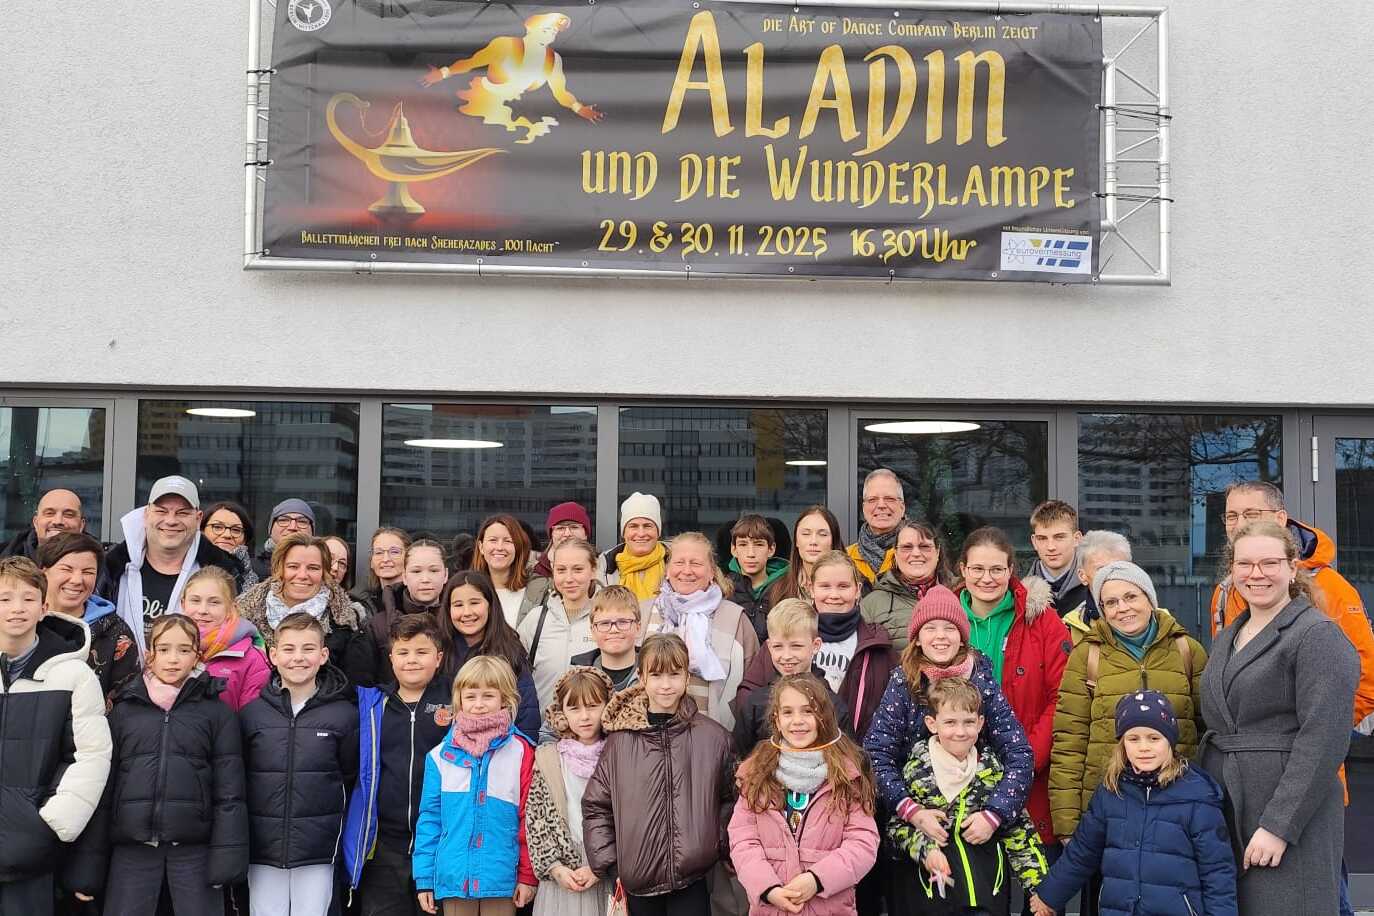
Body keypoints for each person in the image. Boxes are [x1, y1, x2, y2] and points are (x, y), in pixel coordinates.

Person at [1198, 519, 1359, 916]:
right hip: (1231, 806)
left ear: (1292, 567)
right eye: (1245, 564)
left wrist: (1279, 825)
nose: (1256, 574)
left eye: (1269, 563)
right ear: (1232, 570)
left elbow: (1323, 740)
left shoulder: (1317, 635)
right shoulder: (1230, 635)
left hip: (1288, 813)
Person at [1047, 560, 1205, 916]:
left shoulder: (1187, 651)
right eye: (1111, 602)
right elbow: (1069, 740)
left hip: (1175, 810)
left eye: (1131, 596)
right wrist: (1068, 823)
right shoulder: (1087, 656)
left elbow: (1205, 729)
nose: (1122, 608)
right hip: (1108, 810)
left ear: (1149, 598)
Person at [864, 584, 1034, 911]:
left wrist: (995, 813)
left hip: (976, 834)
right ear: (917, 637)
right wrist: (910, 810)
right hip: (917, 835)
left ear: (962, 636)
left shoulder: (981, 679)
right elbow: (877, 754)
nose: (940, 636)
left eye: (949, 628)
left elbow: (1018, 754)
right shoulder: (903, 682)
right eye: (931, 628)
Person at [1033, 691, 1238, 916]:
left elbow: (1217, 872)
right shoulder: (1111, 791)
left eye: (1154, 738)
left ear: (1170, 741)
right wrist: (1049, 896)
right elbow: (1082, 853)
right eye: (1133, 739)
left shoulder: (1197, 795)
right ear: (1122, 743)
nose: (1143, 747)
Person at [103, 614, 248, 916]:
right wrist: (89, 864)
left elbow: (230, 794)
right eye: (164, 649)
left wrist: (226, 859)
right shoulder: (124, 711)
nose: (173, 659)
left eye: (184, 650)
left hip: (194, 851)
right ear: (150, 654)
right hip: (132, 849)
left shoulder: (216, 713)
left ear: (197, 655)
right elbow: (105, 791)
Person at [582, 634, 736, 916]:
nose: (665, 685)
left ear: (687, 677)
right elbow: (597, 806)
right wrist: (612, 864)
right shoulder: (620, 741)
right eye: (656, 675)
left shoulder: (714, 738)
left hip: (693, 879)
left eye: (674, 674)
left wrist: (717, 843)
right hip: (638, 882)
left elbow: (730, 800)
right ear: (641, 677)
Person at [1209, 480, 1374, 734]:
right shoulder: (1224, 592)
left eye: (1251, 514)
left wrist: (1315, 733)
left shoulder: (1329, 588)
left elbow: (1366, 680)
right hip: (1241, 747)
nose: (1240, 524)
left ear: (1280, 518)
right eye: (1232, 516)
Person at [0, 557, 111, 914]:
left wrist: (51, 825)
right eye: (5, 598)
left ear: (44, 607)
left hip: (34, 853)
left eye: (28, 598)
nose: (17, 608)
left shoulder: (74, 675)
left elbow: (90, 757)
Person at [888, 677, 1048, 916]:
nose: (960, 732)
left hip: (988, 896)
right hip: (934, 902)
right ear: (932, 724)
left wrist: (1039, 889)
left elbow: (1020, 833)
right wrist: (926, 850)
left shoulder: (992, 772)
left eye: (969, 722)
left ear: (980, 723)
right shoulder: (916, 772)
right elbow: (895, 828)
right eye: (950, 722)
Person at [955, 527, 1069, 847]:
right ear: (963, 569)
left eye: (996, 569)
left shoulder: (1043, 621)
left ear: (1010, 570)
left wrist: (1024, 760)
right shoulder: (942, 621)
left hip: (1029, 774)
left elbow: (1062, 697)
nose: (986, 578)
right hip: (955, 774)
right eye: (977, 569)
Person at [728, 673, 879, 916]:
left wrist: (817, 880)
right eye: (788, 712)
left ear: (823, 717)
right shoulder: (756, 774)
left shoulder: (847, 776)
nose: (797, 721)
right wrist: (768, 889)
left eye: (808, 711)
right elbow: (742, 840)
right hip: (772, 909)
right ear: (776, 720)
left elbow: (863, 842)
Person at [239, 612, 359, 916]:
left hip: (318, 847)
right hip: (262, 847)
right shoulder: (253, 714)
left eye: (308, 649)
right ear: (273, 654)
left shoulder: (344, 715)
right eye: (289, 649)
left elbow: (349, 775)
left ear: (323, 655)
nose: (298, 658)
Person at [343, 615, 454, 916]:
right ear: (391, 658)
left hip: (440, 840)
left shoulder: (455, 702)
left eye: (421, 652)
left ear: (438, 658)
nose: (412, 660)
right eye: (403, 652)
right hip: (385, 845)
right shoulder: (374, 705)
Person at [413, 655, 538, 916]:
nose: (479, 704)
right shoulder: (440, 756)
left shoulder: (522, 752)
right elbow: (430, 819)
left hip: (501, 877)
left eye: (488, 696)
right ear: (459, 700)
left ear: (505, 699)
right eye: (471, 696)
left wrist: (528, 875)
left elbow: (530, 818)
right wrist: (424, 877)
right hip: (453, 877)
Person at [737, 552, 894, 740]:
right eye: (824, 586)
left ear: (858, 589)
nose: (834, 595)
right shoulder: (783, 637)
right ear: (811, 588)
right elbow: (749, 697)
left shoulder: (876, 645)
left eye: (843, 586)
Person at [106, 475, 239, 653]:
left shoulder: (225, 573)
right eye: (161, 511)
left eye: (182, 513)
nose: (171, 521)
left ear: (198, 518)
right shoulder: (110, 570)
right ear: (146, 514)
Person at [643, 531, 759, 730]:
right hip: (649, 736)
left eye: (696, 563)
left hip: (715, 737)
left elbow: (752, 687)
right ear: (668, 570)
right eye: (679, 563)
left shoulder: (736, 619)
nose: (687, 571)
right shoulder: (643, 612)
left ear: (712, 572)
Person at [525, 667, 615, 916]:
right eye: (574, 708)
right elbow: (537, 818)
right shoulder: (549, 758)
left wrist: (601, 865)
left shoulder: (618, 755)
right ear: (561, 712)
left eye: (593, 706)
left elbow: (628, 818)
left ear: (607, 706)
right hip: (563, 871)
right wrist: (555, 868)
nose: (584, 716)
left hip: (604, 869)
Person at [236, 533, 371, 687]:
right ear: (279, 569)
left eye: (313, 568)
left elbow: (355, 689)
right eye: (293, 566)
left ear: (324, 573)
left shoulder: (346, 624)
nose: (302, 575)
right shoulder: (243, 618)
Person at [733, 600, 853, 758]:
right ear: (769, 646)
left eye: (796, 646)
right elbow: (740, 758)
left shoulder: (834, 706)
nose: (786, 656)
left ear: (816, 645)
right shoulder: (756, 704)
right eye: (778, 646)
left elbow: (848, 760)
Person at [38, 531, 141, 709]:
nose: (77, 580)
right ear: (43, 572)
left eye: (88, 572)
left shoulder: (115, 631)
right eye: (66, 569)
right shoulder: (22, 622)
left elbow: (127, 702)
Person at [438, 570, 542, 738]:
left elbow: (526, 712)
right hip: (448, 749)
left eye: (474, 603)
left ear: (490, 605)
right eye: (458, 605)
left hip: (501, 747)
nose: (467, 612)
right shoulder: (439, 651)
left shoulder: (509, 651)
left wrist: (524, 747)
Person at [519, 538, 600, 711]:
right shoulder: (536, 620)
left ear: (593, 571)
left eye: (578, 569)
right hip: (541, 726)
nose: (569, 579)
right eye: (561, 570)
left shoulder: (606, 620)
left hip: (590, 726)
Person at [182, 565, 270, 711]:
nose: (203, 610)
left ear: (231, 608)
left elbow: (253, 718)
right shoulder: (165, 646)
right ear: (183, 603)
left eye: (214, 602)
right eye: (195, 600)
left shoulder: (252, 659)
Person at [860, 519, 952, 651]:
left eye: (924, 547)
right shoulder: (871, 605)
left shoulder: (960, 594)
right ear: (895, 554)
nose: (916, 553)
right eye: (907, 547)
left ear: (937, 552)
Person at [367, 539, 449, 685]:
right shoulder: (378, 625)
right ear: (404, 576)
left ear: (445, 575)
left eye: (434, 570)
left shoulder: (459, 620)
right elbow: (365, 684)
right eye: (416, 571)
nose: (425, 579)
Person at [524, 502, 595, 623]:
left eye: (574, 527)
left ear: (585, 533)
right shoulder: (531, 571)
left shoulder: (605, 569)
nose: (567, 533)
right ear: (551, 534)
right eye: (560, 528)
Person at [1060, 530, 1132, 646]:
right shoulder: (1068, 629)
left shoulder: (1158, 621)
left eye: (1119, 568)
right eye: (1101, 570)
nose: (1111, 576)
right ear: (1082, 576)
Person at [725, 514, 788, 642]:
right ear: (734, 550)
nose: (751, 553)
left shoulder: (786, 588)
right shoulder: (723, 589)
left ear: (771, 549)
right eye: (743, 544)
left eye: (759, 545)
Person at [569, 585, 643, 693]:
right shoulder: (574, 678)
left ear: (638, 627)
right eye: (604, 623)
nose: (614, 630)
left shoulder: (655, 674)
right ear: (593, 631)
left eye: (623, 622)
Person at [769, 506, 843, 605]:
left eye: (822, 534)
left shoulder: (852, 584)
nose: (813, 541)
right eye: (806, 534)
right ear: (796, 541)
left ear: (834, 541)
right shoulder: (779, 587)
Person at [600, 492, 666, 601]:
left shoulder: (676, 563)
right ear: (624, 533)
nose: (641, 533)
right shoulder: (603, 566)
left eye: (648, 526)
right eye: (633, 526)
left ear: (658, 532)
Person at [846, 469, 905, 586]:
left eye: (889, 499)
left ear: (902, 507)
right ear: (864, 509)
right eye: (872, 500)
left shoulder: (918, 554)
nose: (881, 505)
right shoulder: (845, 557)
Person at [1028, 500, 1086, 618]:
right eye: (1042, 538)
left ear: (1077, 539)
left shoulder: (1098, 589)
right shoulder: (1017, 592)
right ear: (1034, 542)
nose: (1051, 547)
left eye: (1059, 537)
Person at [473, 514, 533, 626]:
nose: (500, 547)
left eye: (508, 541)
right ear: (481, 547)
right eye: (493, 540)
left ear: (517, 547)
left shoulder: (534, 595)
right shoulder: (468, 590)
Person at [2, 487, 87, 562]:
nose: (58, 521)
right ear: (35, 522)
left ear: (81, 525)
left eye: (68, 515)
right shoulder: (4, 558)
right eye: (49, 513)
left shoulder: (95, 562)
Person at [200, 500, 261, 594]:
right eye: (217, 527)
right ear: (202, 530)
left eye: (236, 530)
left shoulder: (257, 577)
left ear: (245, 539)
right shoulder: (187, 565)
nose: (227, 535)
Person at [252, 498, 316, 579]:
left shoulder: (326, 568)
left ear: (312, 531)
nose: (292, 527)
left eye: (302, 521)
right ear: (271, 529)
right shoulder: (249, 569)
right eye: (284, 520)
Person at [355, 527, 411, 616]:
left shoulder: (417, 600)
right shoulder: (359, 603)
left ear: (409, 558)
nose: (385, 559)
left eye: (394, 552)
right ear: (371, 562)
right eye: (379, 553)